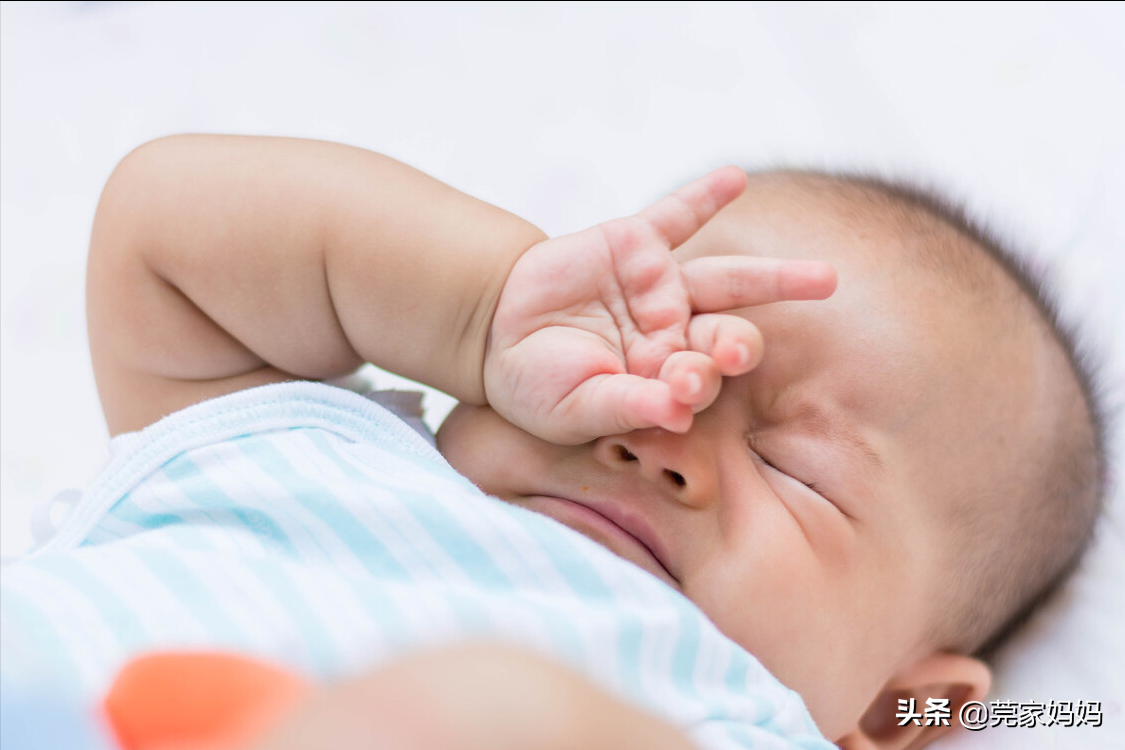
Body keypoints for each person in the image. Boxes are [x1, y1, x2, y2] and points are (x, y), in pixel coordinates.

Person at [0, 135, 1106, 750]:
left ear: (896, 706)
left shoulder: (737, 719)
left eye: (795, 468)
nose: (660, 426)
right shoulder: (318, 451)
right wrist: (479, 312)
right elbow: (164, 230)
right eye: (638, 352)